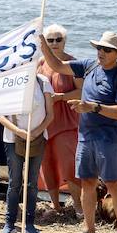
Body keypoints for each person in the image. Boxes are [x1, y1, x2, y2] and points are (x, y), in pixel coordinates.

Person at [40, 30, 117, 233]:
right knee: (87, 182)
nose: (101, 52)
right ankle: (89, 232)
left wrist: (92, 107)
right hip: (85, 136)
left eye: (107, 50)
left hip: (109, 138)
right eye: (99, 48)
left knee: (112, 183)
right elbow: (57, 65)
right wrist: (43, 44)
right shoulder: (89, 66)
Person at [0, 69, 53, 233]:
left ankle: (29, 223)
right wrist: (19, 132)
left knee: (32, 183)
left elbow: (50, 114)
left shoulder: (42, 81)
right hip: (13, 138)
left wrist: (36, 132)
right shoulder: (10, 82)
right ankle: (9, 223)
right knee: (14, 181)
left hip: (38, 138)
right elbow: (1, 116)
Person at [37, 25, 82, 218]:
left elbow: (81, 92)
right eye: (50, 40)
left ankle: (79, 207)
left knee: (68, 165)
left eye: (58, 40)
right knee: (46, 164)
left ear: (64, 41)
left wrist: (60, 97)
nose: (54, 44)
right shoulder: (40, 63)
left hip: (67, 121)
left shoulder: (74, 64)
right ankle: (56, 206)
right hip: (45, 121)